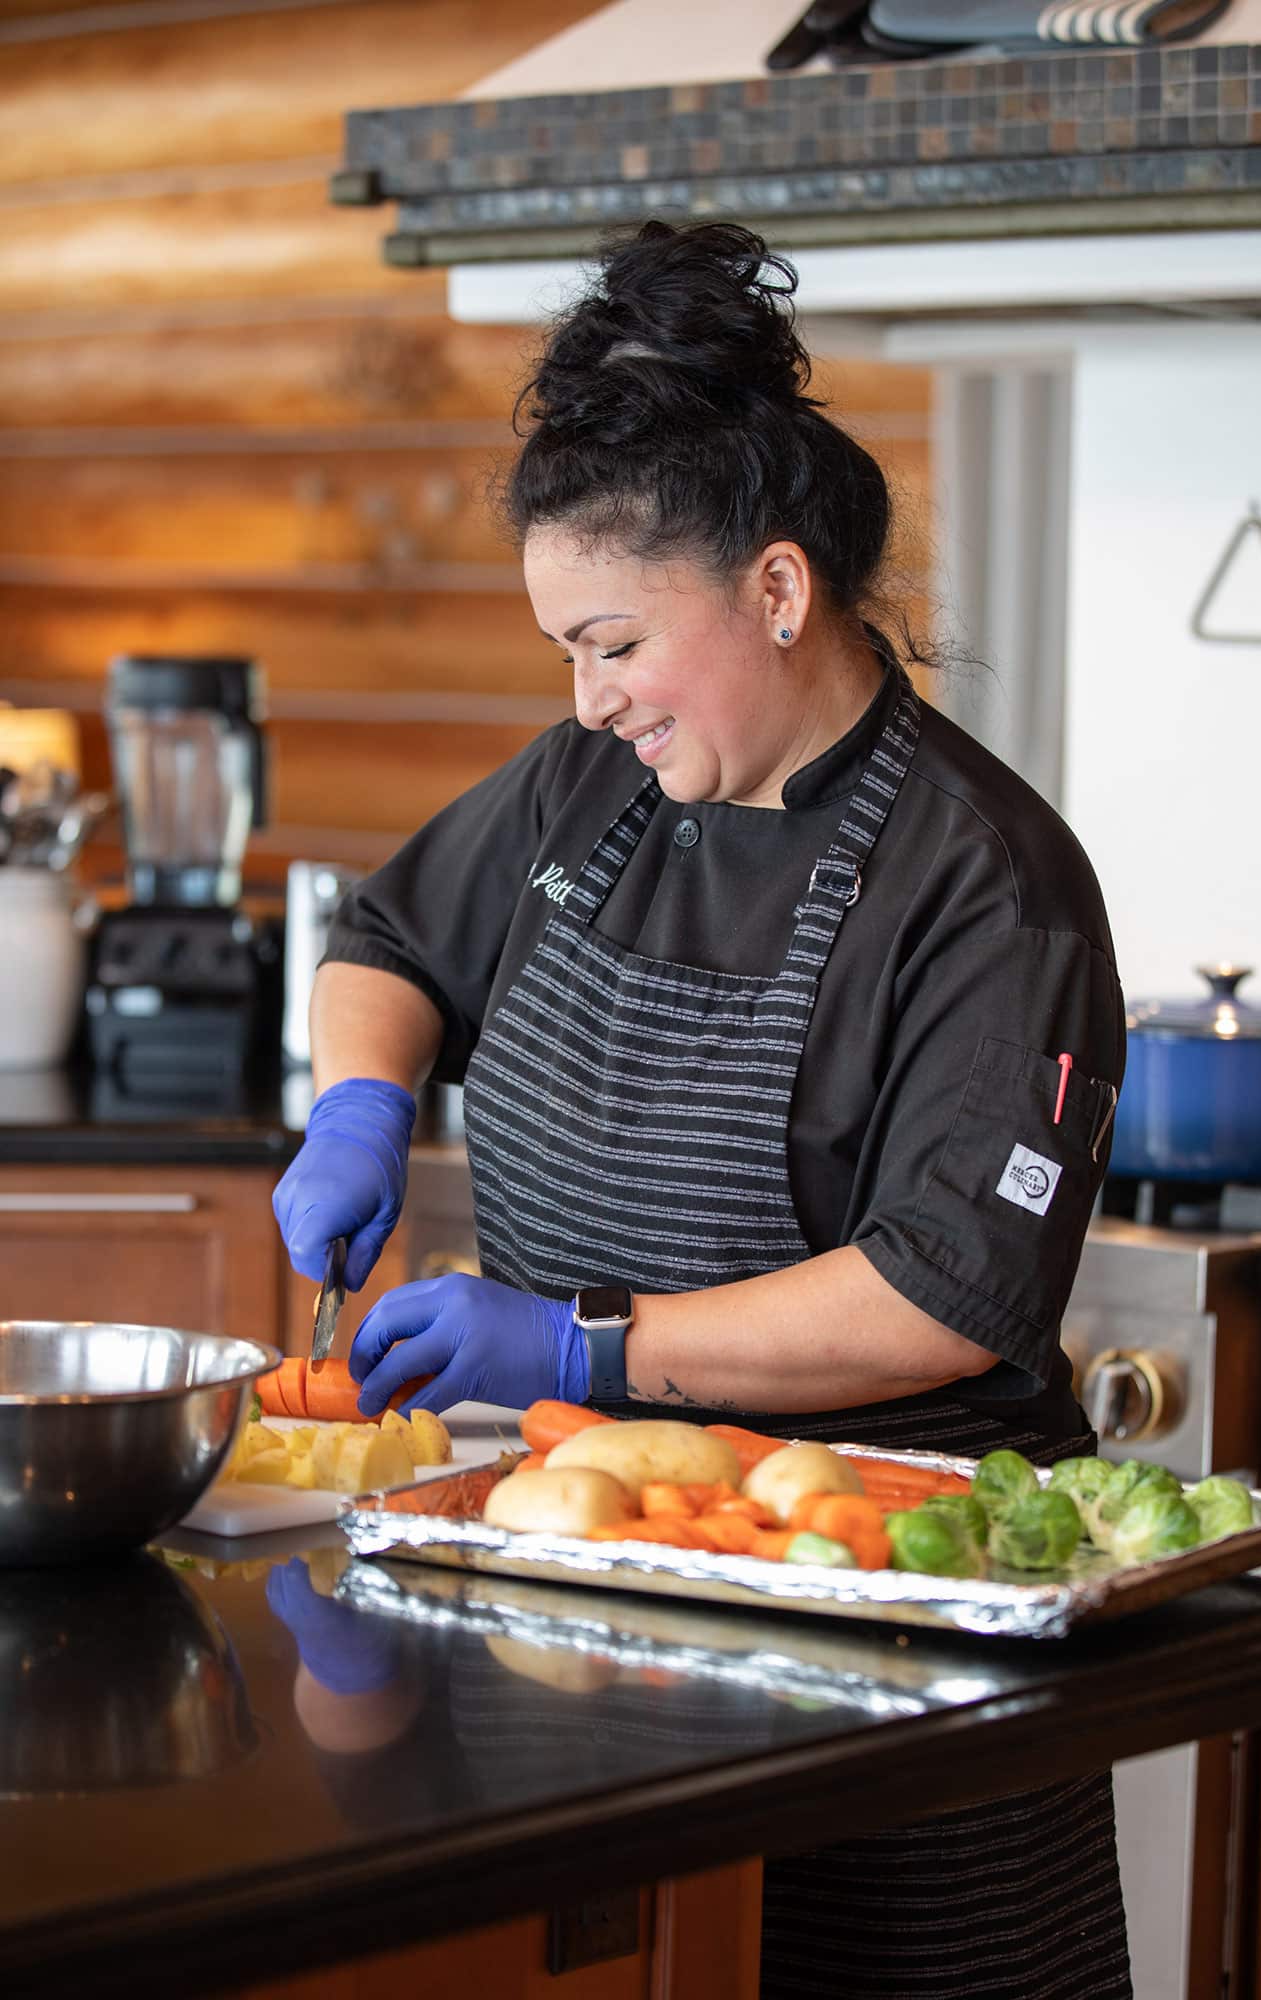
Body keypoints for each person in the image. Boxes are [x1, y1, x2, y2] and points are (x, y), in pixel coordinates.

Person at [273, 219, 1130, 1998]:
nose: (583, 702)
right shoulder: (590, 786)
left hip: (884, 1631)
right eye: (563, 653)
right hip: (597, 1603)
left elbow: (942, 1289)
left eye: (609, 644)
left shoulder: (988, 885)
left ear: (775, 591)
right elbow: (385, 940)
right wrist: (358, 1100)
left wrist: (589, 1346)